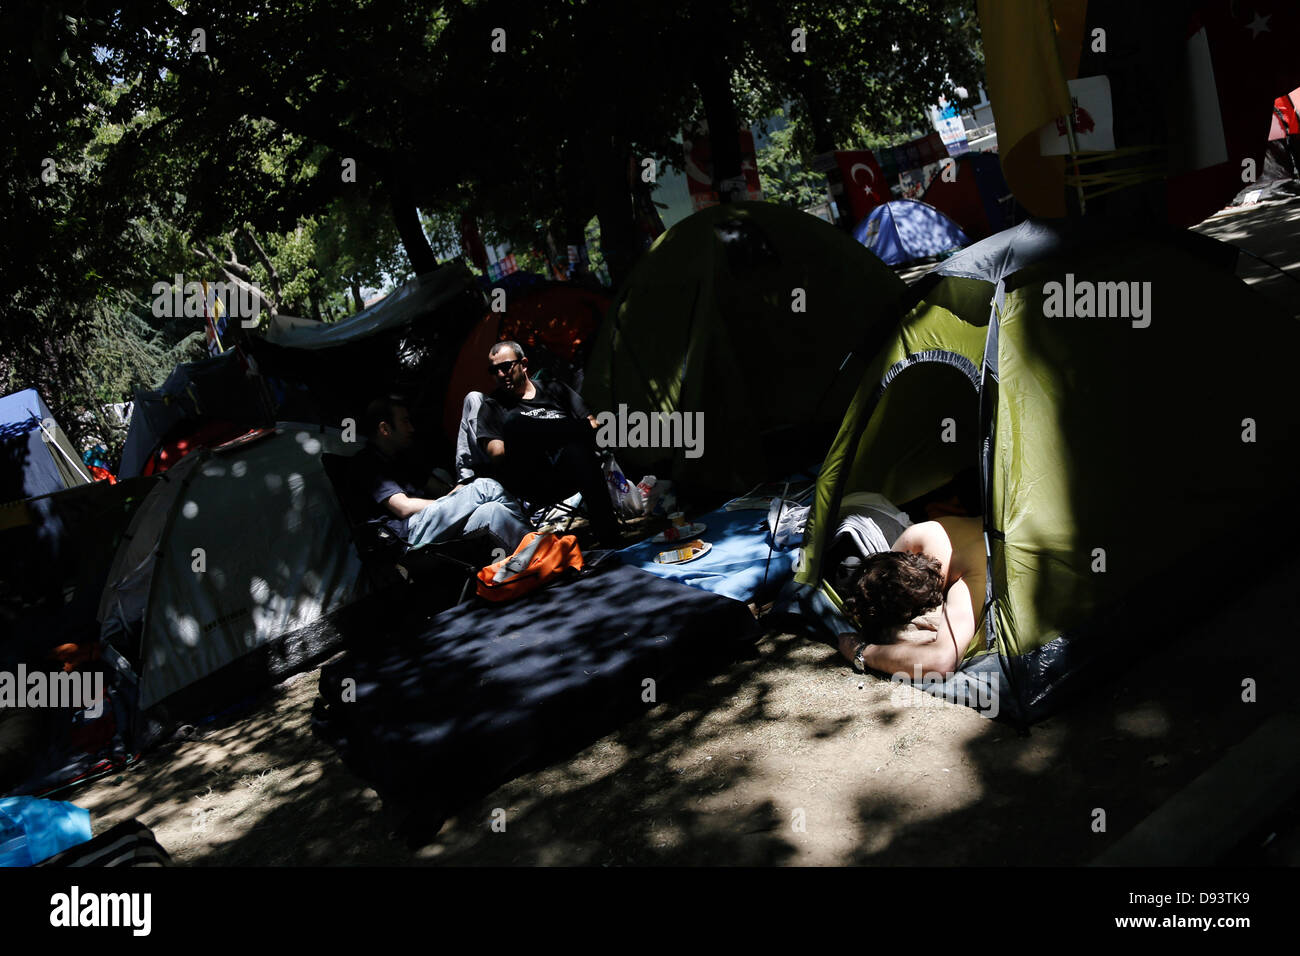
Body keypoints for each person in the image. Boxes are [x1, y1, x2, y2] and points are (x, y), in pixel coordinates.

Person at [474, 341, 620, 545]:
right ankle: (570, 429)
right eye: (494, 370)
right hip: (533, 479)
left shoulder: (555, 389)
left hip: (571, 469)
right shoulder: (492, 407)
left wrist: (559, 434)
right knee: (517, 424)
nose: (500, 374)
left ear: (523, 364)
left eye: (505, 367)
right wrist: (537, 436)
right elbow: (496, 454)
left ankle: (610, 540)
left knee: (576, 448)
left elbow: (592, 422)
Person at [350, 396, 531, 551]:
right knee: (485, 487)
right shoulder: (367, 462)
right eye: (405, 421)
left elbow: (443, 491)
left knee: (493, 511)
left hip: (430, 522)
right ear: (385, 429)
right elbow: (403, 507)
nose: (411, 428)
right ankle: (541, 542)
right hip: (406, 534)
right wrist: (453, 502)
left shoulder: (402, 460)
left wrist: (458, 493)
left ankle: (537, 557)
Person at [837, 516, 987, 678]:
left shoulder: (967, 584)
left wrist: (861, 652)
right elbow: (882, 575)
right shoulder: (919, 536)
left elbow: (942, 661)